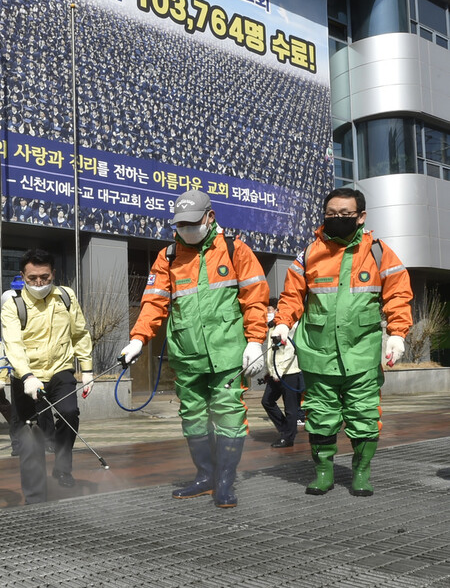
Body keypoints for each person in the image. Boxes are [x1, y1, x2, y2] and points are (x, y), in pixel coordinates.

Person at [120, 190, 269, 508]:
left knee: (229, 414)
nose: (185, 229)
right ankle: (205, 476)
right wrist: (138, 338)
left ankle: (225, 482)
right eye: (180, 224)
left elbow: (255, 299)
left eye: (192, 223)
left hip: (228, 352)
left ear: (210, 217)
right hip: (187, 355)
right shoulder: (168, 257)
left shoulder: (235, 250)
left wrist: (256, 341)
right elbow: (153, 302)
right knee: (193, 416)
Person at [273, 188, 412, 497]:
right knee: (320, 417)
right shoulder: (309, 254)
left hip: (361, 355)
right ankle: (324, 472)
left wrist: (398, 334)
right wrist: (283, 324)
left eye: (345, 214)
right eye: (331, 214)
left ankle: (361, 472)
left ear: (361, 217)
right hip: (318, 354)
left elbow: (398, 295)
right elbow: (291, 296)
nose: (337, 219)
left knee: (364, 416)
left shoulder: (378, 253)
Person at [1, 248, 94, 501]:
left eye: (45, 277)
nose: (39, 283)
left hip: (60, 369)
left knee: (69, 413)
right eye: (32, 278)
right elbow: (13, 344)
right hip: (27, 375)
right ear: (23, 276)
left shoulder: (65, 297)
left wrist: (87, 369)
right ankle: (35, 495)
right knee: (30, 433)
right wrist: (26, 375)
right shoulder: (13, 305)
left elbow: (80, 332)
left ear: (53, 273)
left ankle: (62, 468)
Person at [262, 302, 302, 448]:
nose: (271, 312)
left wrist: (278, 370)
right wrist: (269, 371)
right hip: (275, 372)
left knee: (290, 407)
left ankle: (288, 438)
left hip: (288, 371)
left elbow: (288, 350)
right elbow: (271, 351)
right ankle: (287, 429)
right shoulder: (273, 325)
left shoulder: (290, 325)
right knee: (267, 401)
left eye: (274, 310)